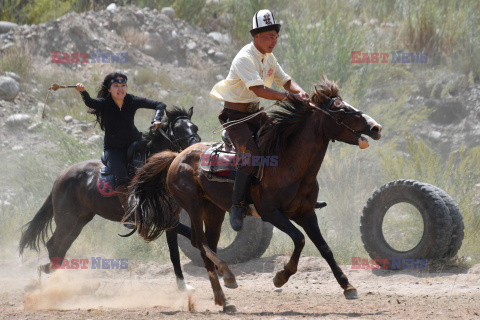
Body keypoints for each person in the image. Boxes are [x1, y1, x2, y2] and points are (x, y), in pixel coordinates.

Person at [210, 9, 310, 231]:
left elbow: (286, 81)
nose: (273, 41)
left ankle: (284, 195)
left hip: (255, 114)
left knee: (283, 142)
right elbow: (259, 89)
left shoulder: (270, 58)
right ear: (255, 36)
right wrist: (289, 97)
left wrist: (302, 95)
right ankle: (236, 205)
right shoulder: (244, 58)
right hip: (235, 117)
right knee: (252, 158)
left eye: (275, 36)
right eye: (267, 36)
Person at [76, 71, 166, 227]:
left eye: (123, 86)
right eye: (116, 86)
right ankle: (130, 213)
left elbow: (160, 105)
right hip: (114, 150)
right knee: (122, 177)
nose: (120, 89)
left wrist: (157, 118)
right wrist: (83, 92)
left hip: (136, 144)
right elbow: (90, 103)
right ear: (109, 89)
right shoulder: (104, 103)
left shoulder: (131, 100)